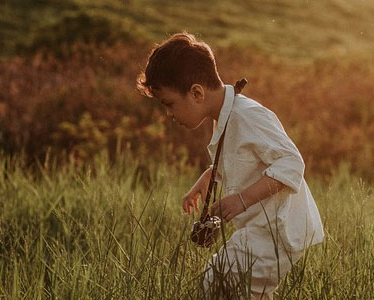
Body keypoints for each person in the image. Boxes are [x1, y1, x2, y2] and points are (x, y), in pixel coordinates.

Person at [136, 32, 324, 300]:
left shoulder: (247, 116)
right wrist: (206, 178)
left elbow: (291, 163)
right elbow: (241, 159)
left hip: (279, 232)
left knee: (218, 280)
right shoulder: (225, 113)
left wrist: (242, 200)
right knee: (237, 289)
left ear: (197, 92)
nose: (170, 114)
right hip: (261, 229)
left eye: (170, 104)